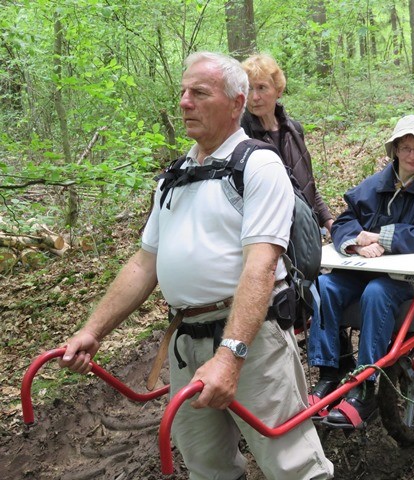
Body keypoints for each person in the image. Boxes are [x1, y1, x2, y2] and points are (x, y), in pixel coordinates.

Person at [58, 52, 333, 480]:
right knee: (206, 467)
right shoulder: (175, 175)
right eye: (183, 92)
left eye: (199, 93)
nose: (184, 102)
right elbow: (144, 263)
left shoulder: (258, 165)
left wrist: (231, 354)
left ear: (236, 102)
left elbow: (260, 267)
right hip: (186, 343)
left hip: (252, 343)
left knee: (294, 466)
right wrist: (93, 331)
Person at [307, 115, 414, 427]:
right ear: (395, 149)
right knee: (324, 287)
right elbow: (345, 220)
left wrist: (383, 237)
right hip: (367, 268)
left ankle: (364, 387)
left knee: (377, 292)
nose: (412, 155)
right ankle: (329, 373)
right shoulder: (376, 183)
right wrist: (355, 243)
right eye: (406, 148)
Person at [240, 53, 334, 234]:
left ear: (278, 90)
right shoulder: (241, 135)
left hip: (302, 233)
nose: (254, 97)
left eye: (261, 88)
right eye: (249, 89)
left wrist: (330, 223)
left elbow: (307, 185)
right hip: (265, 233)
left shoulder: (294, 130)